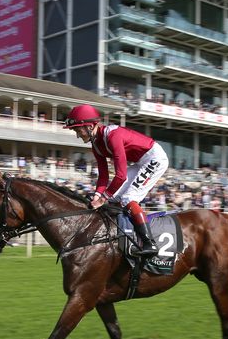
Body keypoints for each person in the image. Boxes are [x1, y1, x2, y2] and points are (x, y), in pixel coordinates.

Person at [64, 104, 169, 257]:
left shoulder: (113, 136)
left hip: (155, 158)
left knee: (128, 198)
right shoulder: (96, 145)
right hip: (141, 161)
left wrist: (102, 198)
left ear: (90, 126)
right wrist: (97, 195)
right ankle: (121, 237)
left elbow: (120, 176)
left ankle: (149, 243)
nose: (78, 135)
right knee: (113, 197)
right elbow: (103, 176)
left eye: (78, 130)